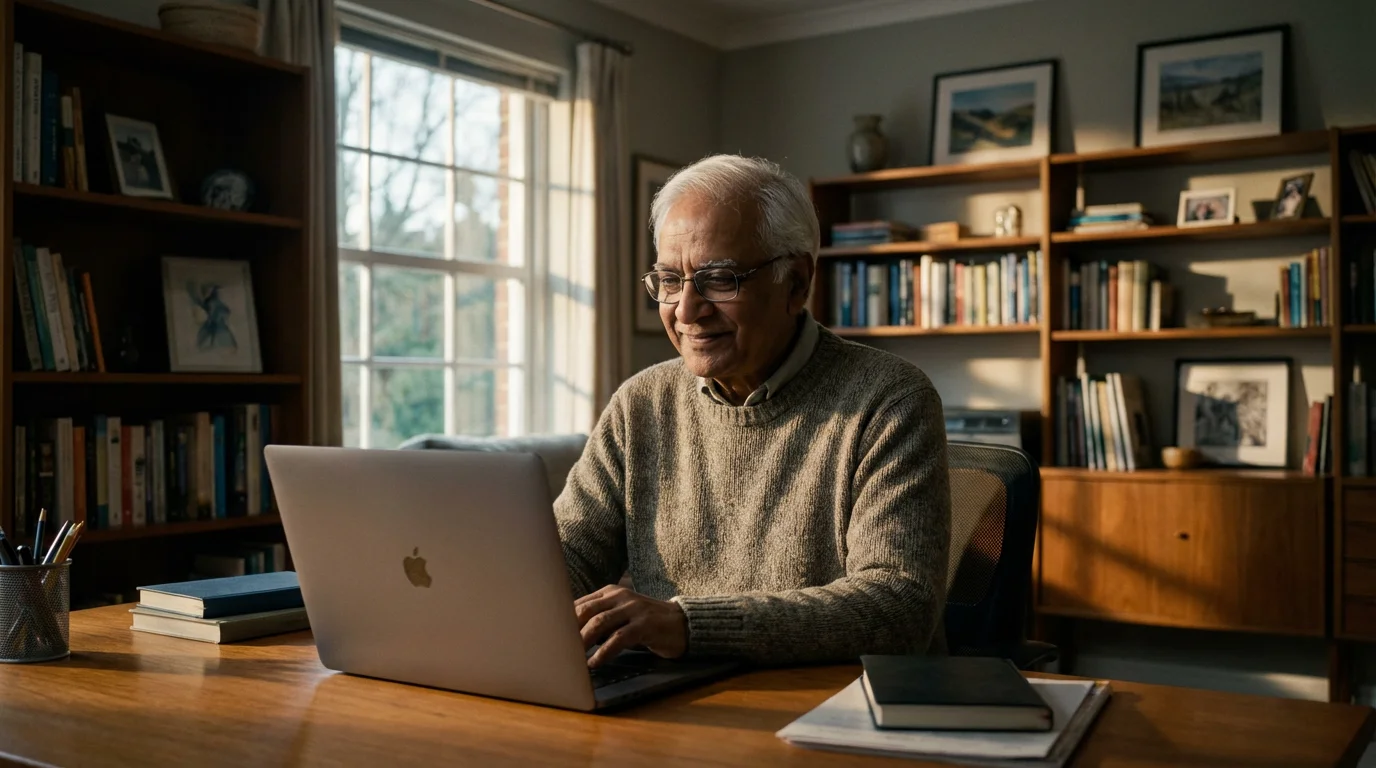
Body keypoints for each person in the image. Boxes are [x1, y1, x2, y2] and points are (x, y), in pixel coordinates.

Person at [555, 154, 952, 669]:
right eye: (670, 280)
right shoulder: (640, 404)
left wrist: (689, 626)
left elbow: (898, 607)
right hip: (673, 705)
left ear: (796, 284)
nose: (686, 309)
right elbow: (564, 560)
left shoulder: (890, 399)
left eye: (720, 279)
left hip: (828, 713)